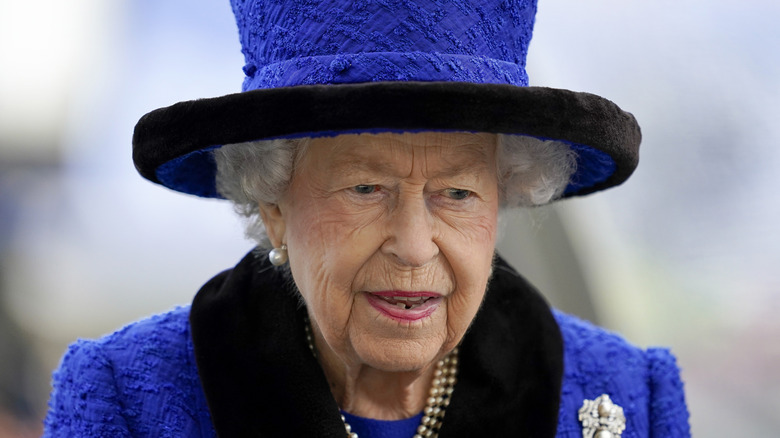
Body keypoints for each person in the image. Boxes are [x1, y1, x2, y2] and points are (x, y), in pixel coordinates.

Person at [44, 0, 690, 437]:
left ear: (505, 199)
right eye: (365, 188)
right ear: (273, 206)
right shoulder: (126, 393)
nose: (413, 246)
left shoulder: (630, 391)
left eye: (457, 194)